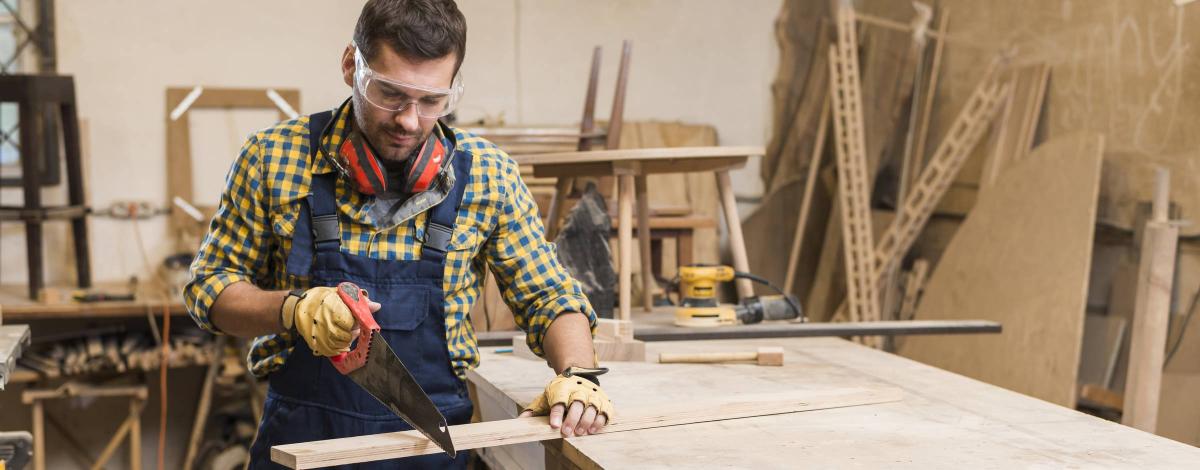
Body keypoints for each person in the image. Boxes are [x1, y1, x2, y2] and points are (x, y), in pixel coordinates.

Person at [183, 1, 613, 467]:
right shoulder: (272, 158)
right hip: (302, 443)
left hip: (429, 448)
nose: (409, 120)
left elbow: (549, 296)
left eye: (432, 101)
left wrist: (579, 376)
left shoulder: (489, 175)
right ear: (352, 65)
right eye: (390, 94)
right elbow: (209, 288)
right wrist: (292, 309)